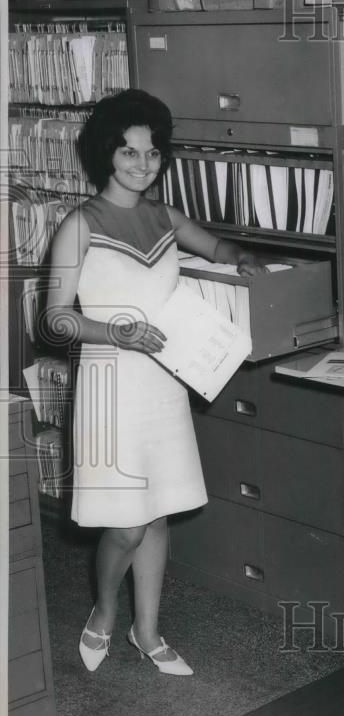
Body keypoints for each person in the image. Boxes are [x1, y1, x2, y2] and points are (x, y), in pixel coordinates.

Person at [46, 88, 263, 677]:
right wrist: (116, 332)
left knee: (159, 513)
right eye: (129, 154)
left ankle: (148, 632)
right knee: (126, 521)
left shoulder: (165, 217)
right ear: (105, 157)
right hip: (110, 387)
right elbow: (54, 317)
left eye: (152, 154)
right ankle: (103, 609)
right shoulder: (80, 224)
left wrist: (239, 258)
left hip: (165, 382)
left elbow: (217, 246)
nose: (143, 165)